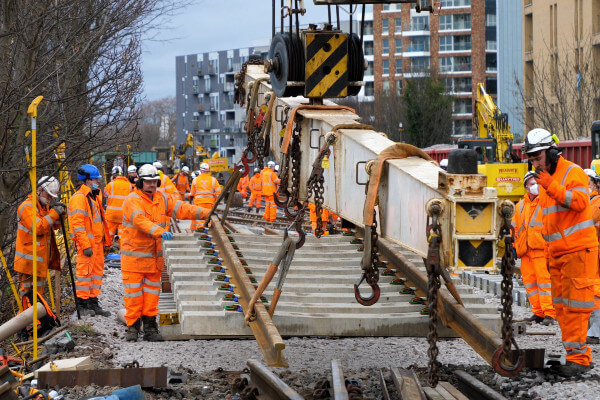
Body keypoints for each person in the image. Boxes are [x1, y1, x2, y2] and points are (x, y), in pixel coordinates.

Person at [524, 128, 600, 376]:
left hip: (578, 251)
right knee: (561, 308)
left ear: (552, 153)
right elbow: (550, 223)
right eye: (532, 159)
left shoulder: (572, 172)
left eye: (538, 158)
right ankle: (574, 357)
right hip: (557, 254)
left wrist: (551, 185)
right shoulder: (546, 181)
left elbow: (579, 202)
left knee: (576, 307)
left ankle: (579, 358)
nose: (535, 164)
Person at [120, 164, 211, 341]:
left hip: (154, 260)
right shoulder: (133, 200)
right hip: (134, 260)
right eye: (148, 182)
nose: (152, 185)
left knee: (152, 297)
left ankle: (150, 328)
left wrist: (207, 213)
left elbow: (184, 209)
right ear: (140, 182)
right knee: (134, 297)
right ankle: (132, 328)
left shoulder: (162, 198)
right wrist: (159, 231)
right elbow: (140, 220)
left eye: (154, 182)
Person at [512, 171, 556, 325]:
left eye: (537, 183)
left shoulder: (545, 202)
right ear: (525, 187)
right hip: (525, 252)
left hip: (541, 250)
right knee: (530, 284)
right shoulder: (520, 206)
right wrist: (513, 248)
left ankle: (549, 313)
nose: (535, 186)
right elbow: (514, 228)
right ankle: (538, 313)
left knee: (545, 282)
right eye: (531, 183)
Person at [68, 164, 111, 317]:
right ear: (87, 180)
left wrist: (106, 242)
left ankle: (93, 302)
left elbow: (99, 221)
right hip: (87, 245)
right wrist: (85, 245)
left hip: (97, 244)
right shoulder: (79, 198)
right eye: (95, 179)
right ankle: (82, 305)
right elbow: (78, 225)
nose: (98, 181)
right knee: (84, 275)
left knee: (96, 274)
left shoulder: (93, 196)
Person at [15, 176, 64, 299]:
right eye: (49, 195)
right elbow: (38, 228)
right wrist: (54, 214)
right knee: (28, 297)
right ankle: (28, 318)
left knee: (38, 297)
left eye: (52, 196)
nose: (50, 199)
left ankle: (37, 319)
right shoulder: (26, 207)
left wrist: (61, 214)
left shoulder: (43, 207)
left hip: (40, 262)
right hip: (28, 263)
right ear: (40, 190)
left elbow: (53, 226)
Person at [103, 166, 132, 245]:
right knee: (122, 236)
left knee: (108, 235)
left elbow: (105, 194)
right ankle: (122, 252)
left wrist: (111, 181)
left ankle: (106, 250)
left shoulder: (111, 185)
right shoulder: (129, 185)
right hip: (123, 216)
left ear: (113, 175)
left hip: (112, 215)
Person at [190, 163, 221, 230]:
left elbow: (192, 194)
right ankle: (208, 230)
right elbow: (218, 193)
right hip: (210, 203)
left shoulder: (195, 180)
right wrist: (215, 201)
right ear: (208, 171)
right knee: (208, 217)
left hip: (199, 203)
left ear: (201, 170)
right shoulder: (213, 180)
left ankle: (200, 230)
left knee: (200, 218)